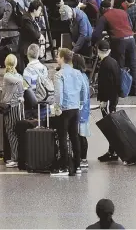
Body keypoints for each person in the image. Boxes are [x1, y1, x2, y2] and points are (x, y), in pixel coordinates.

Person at [51, 48, 87, 176]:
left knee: (62, 138)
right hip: (75, 108)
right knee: (74, 137)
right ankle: (77, 166)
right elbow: (84, 90)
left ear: (62, 58)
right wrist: (81, 103)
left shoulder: (59, 75)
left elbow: (58, 93)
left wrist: (57, 107)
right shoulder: (78, 73)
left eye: (57, 57)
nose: (56, 59)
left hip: (64, 109)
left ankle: (64, 166)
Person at [92, 0, 136, 96]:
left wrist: (95, 43)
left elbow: (96, 34)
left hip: (119, 41)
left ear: (103, 8)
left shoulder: (104, 16)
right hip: (131, 39)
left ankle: (121, 90)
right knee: (133, 65)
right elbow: (131, 25)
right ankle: (134, 89)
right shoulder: (123, 12)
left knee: (119, 66)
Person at [95, 40, 122, 163]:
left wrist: (103, 100)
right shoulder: (113, 62)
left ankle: (113, 151)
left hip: (108, 99)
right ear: (109, 51)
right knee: (112, 125)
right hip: (114, 98)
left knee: (110, 126)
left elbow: (105, 85)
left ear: (98, 51)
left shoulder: (104, 65)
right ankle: (113, 150)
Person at [1, 54, 24, 168]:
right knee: (16, 131)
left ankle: (15, 158)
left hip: (10, 106)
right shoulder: (18, 75)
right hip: (17, 106)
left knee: (11, 132)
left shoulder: (7, 76)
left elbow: (19, 84)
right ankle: (17, 156)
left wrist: (21, 95)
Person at [72, 54, 90, 169]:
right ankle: (82, 158)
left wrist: (79, 105)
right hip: (84, 110)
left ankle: (83, 158)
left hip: (81, 110)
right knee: (81, 135)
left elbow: (82, 93)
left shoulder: (79, 76)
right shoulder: (84, 75)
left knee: (80, 136)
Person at [18, 0, 42, 72]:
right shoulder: (26, 19)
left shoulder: (30, 18)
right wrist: (40, 36)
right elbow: (33, 33)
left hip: (31, 47)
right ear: (34, 10)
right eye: (39, 10)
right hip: (27, 48)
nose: (40, 12)